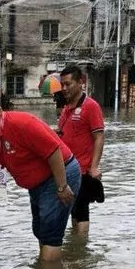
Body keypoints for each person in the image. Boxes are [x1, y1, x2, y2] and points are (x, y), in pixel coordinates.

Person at [0, 92, 81, 262]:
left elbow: (54, 152)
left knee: (50, 235)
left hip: (59, 175)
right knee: (39, 231)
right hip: (37, 186)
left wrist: (62, 187)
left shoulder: (21, 123)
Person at [57, 65, 105, 242]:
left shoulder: (90, 106)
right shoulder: (66, 108)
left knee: (82, 210)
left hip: (82, 169)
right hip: (66, 168)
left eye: (68, 84)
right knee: (73, 210)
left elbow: (99, 137)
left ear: (81, 83)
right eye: (62, 84)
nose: (64, 88)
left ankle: (81, 249)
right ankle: (75, 245)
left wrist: (93, 167)